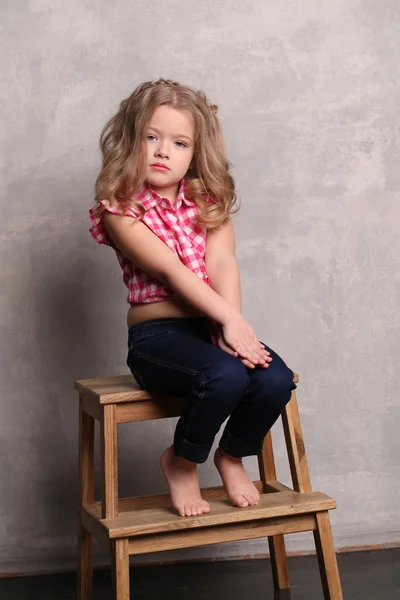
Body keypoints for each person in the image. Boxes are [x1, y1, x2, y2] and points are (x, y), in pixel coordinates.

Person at [89, 78, 296, 518]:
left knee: (275, 378)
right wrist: (228, 323)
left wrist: (230, 324)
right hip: (158, 338)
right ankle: (181, 462)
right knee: (225, 376)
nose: (164, 151)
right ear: (131, 141)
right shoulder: (120, 209)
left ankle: (232, 455)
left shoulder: (207, 200)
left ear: (195, 152)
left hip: (212, 325)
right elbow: (172, 271)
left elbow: (222, 263)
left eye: (179, 143)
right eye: (151, 137)